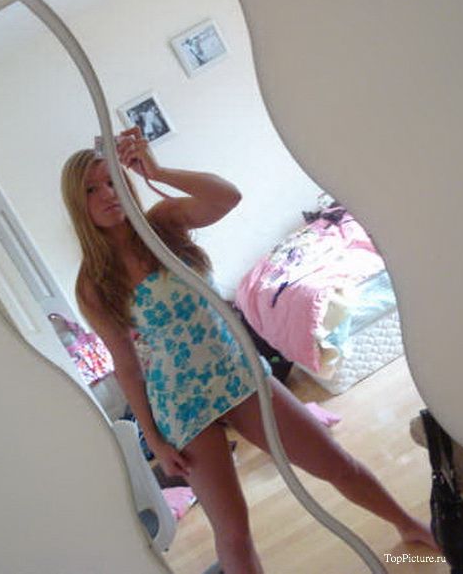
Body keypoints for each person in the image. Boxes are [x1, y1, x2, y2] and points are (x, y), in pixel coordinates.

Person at [61, 126, 435, 574]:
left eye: (112, 181)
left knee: (336, 463)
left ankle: (410, 527)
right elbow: (126, 367)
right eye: (92, 189)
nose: (107, 194)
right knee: (233, 533)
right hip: (181, 405)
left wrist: (157, 172)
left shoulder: (162, 224)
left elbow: (226, 197)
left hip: (237, 372)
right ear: (77, 204)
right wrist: (156, 441)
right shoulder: (93, 284)